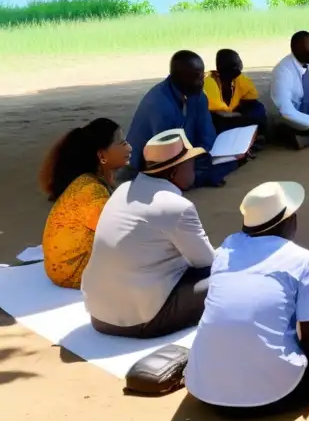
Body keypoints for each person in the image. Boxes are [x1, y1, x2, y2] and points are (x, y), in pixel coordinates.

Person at [185, 181, 309, 416]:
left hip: (205, 393)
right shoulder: (301, 258)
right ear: (289, 222)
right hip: (272, 397)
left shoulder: (227, 248)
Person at [82, 129, 216, 339]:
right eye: (190, 163)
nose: (194, 169)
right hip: (140, 321)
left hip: (98, 316)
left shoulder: (123, 189)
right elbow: (207, 262)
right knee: (227, 280)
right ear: (174, 171)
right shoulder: (176, 207)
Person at [125, 51, 241, 188]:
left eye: (202, 76)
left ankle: (202, 174)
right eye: (196, 78)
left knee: (232, 159)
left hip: (185, 153)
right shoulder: (160, 105)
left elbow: (207, 134)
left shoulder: (198, 96)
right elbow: (162, 157)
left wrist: (206, 155)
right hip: (151, 163)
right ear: (179, 78)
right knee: (188, 177)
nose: (202, 82)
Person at [39, 119, 132, 289]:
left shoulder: (91, 182)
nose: (129, 148)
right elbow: (118, 232)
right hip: (71, 272)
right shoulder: (91, 191)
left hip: (62, 269)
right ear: (102, 156)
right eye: (122, 143)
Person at [203, 49, 268, 136]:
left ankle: (250, 134)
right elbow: (219, 113)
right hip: (217, 118)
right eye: (236, 64)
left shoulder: (239, 79)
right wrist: (244, 118)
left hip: (234, 116)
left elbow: (251, 101)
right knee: (218, 123)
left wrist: (242, 115)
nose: (239, 67)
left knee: (258, 108)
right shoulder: (209, 82)